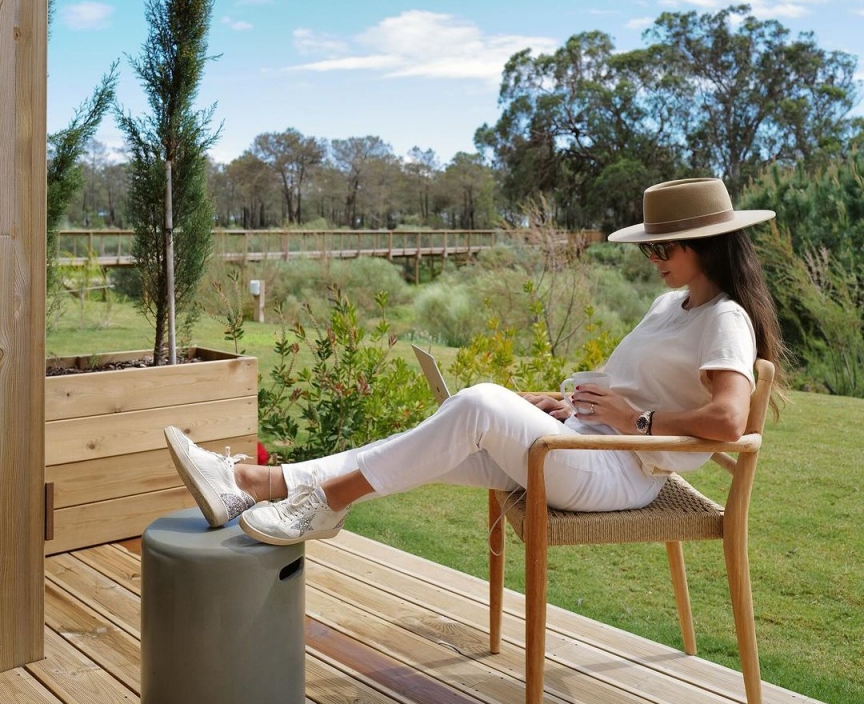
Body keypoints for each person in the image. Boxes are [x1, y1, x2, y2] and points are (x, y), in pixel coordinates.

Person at [165, 177, 784, 547]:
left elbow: (729, 422)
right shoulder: (671, 304)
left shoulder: (723, 318)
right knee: (423, 441)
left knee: (478, 402)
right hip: (580, 444)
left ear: (707, 243)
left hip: (614, 475)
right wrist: (571, 404)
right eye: (651, 248)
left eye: (666, 247)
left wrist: (636, 421)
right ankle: (248, 486)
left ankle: (326, 506)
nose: (656, 259)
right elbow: (631, 388)